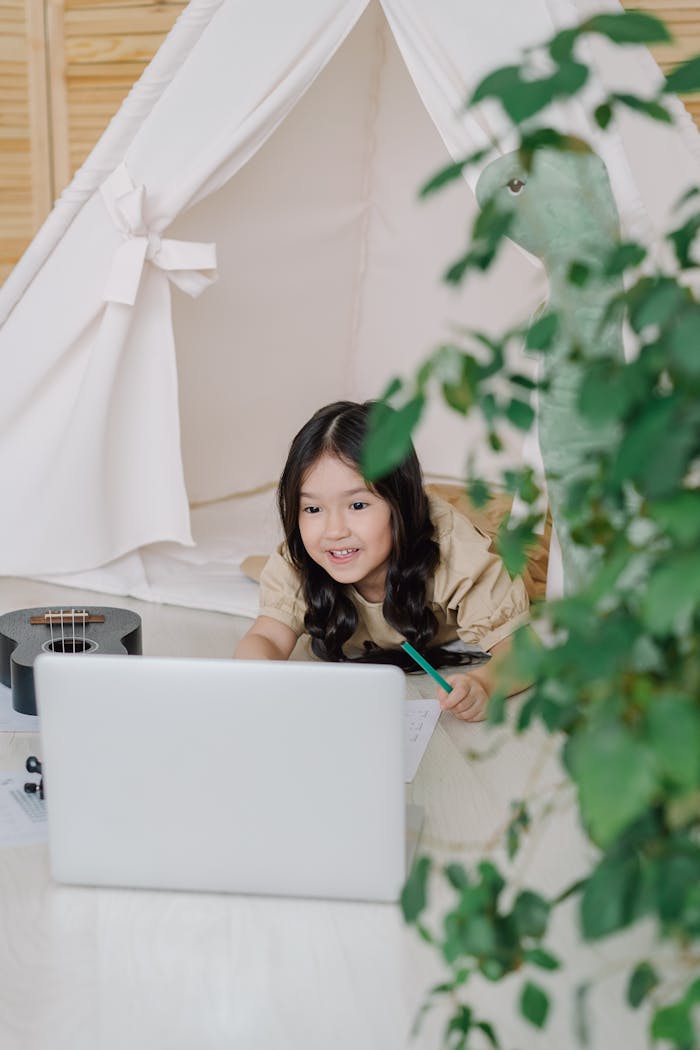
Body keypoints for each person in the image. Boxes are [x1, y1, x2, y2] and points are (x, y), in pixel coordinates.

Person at [235, 401, 531, 721]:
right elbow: (265, 637)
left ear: (400, 505)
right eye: (313, 509)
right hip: (340, 563)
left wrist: (484, 685)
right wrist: (258, 676)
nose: (334, 531)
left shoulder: (452, 551)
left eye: (358, 505)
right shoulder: (299, 560)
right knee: (258, 569)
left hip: (444, 537)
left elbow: (524, 651)